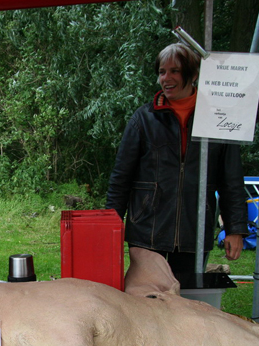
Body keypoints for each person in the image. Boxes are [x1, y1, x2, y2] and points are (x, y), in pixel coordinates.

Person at [106, 43, 247, 274]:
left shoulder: (218, 119)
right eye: (162, 71)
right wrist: (109, 224)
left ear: (193, 75)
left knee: (186, 302)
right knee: (147, 300)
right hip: (147, 231)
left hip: (195, 230)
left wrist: (235, 228)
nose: (166, 78)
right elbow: (121, 177)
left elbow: (231, 179)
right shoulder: (143, 119)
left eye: (175, 71)